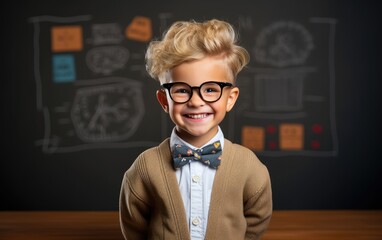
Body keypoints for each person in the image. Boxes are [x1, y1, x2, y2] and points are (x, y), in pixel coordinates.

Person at [119, 18, 272, 240]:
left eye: (211, 89)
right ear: (164, 100)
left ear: (230, 99)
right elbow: (134, 224)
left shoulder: (249, 166)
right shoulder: (145, 168)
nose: (196, 101)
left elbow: (257, 220)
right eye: (181, 90)